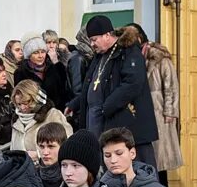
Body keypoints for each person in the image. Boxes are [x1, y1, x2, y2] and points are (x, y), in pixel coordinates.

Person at [66, 16, 159, 167]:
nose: (91, 44)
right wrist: (76, 103)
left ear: (107, 35)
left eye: (94, 39)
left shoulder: (129, 52)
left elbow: (132, 83)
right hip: (98, 123)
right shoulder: (100, 55)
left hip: (125, 122)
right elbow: (91, 85)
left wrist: (107, 106)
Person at [137, 26, 183, 176]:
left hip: (159, 111)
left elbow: (171, 86)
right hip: (143, 113)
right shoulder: (135, 57)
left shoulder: (160, 58)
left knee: (160, 156)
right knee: (149, 156)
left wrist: (170, 111)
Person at [11, 79, 71, 159]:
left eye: (26, 102)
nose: (22, 108)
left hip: (48, 168)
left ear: (35, 99)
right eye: (19, 104)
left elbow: (67, 144)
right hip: (22, 168)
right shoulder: (16, 121)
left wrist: (38, 155)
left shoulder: (53, 115)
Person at [15, 34, 71, 111]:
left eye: (43, 52)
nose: (40, 56)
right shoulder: (21, 72)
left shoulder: (54, 68)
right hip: (33, 115)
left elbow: (64, 91)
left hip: (55, 113)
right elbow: (20, 97)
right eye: (36, 53)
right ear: (29, 55)